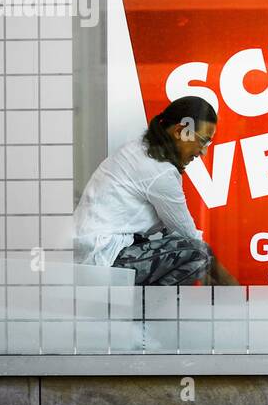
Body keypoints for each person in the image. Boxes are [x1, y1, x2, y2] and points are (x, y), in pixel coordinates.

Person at [73, 96, 238, 287]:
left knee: (191, 254)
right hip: (103, 260)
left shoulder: (139, 149)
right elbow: (189, 236)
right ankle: (145, 312)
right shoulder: (159, 172)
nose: (203, 152)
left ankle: (141, 308)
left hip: (89, 255)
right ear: (181, 131)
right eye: (203, 142)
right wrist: (231, 283)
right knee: (198, 255)